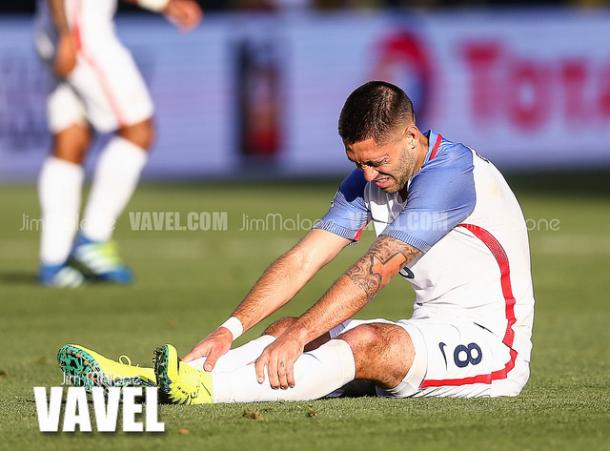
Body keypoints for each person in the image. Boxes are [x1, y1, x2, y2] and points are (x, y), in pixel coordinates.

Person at [57, 81, 535, 402]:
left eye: (377, 161)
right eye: (357, 163)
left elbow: (375, 270)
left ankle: (201, 393)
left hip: (493, 349)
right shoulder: (371, 178)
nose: (368, 175)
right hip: (429, 329)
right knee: (282, 329)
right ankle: (164, 379)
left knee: (358, 339)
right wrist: (230, 328)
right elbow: (302, 260)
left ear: (411, 135)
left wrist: (304, 336)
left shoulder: (450, 177)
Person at [35, 0, 202, 287]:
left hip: (53, 30)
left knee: (69, 140)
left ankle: (53, 261)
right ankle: (93, 239)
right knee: (138, 129)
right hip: (80, 33)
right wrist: (66, 34)